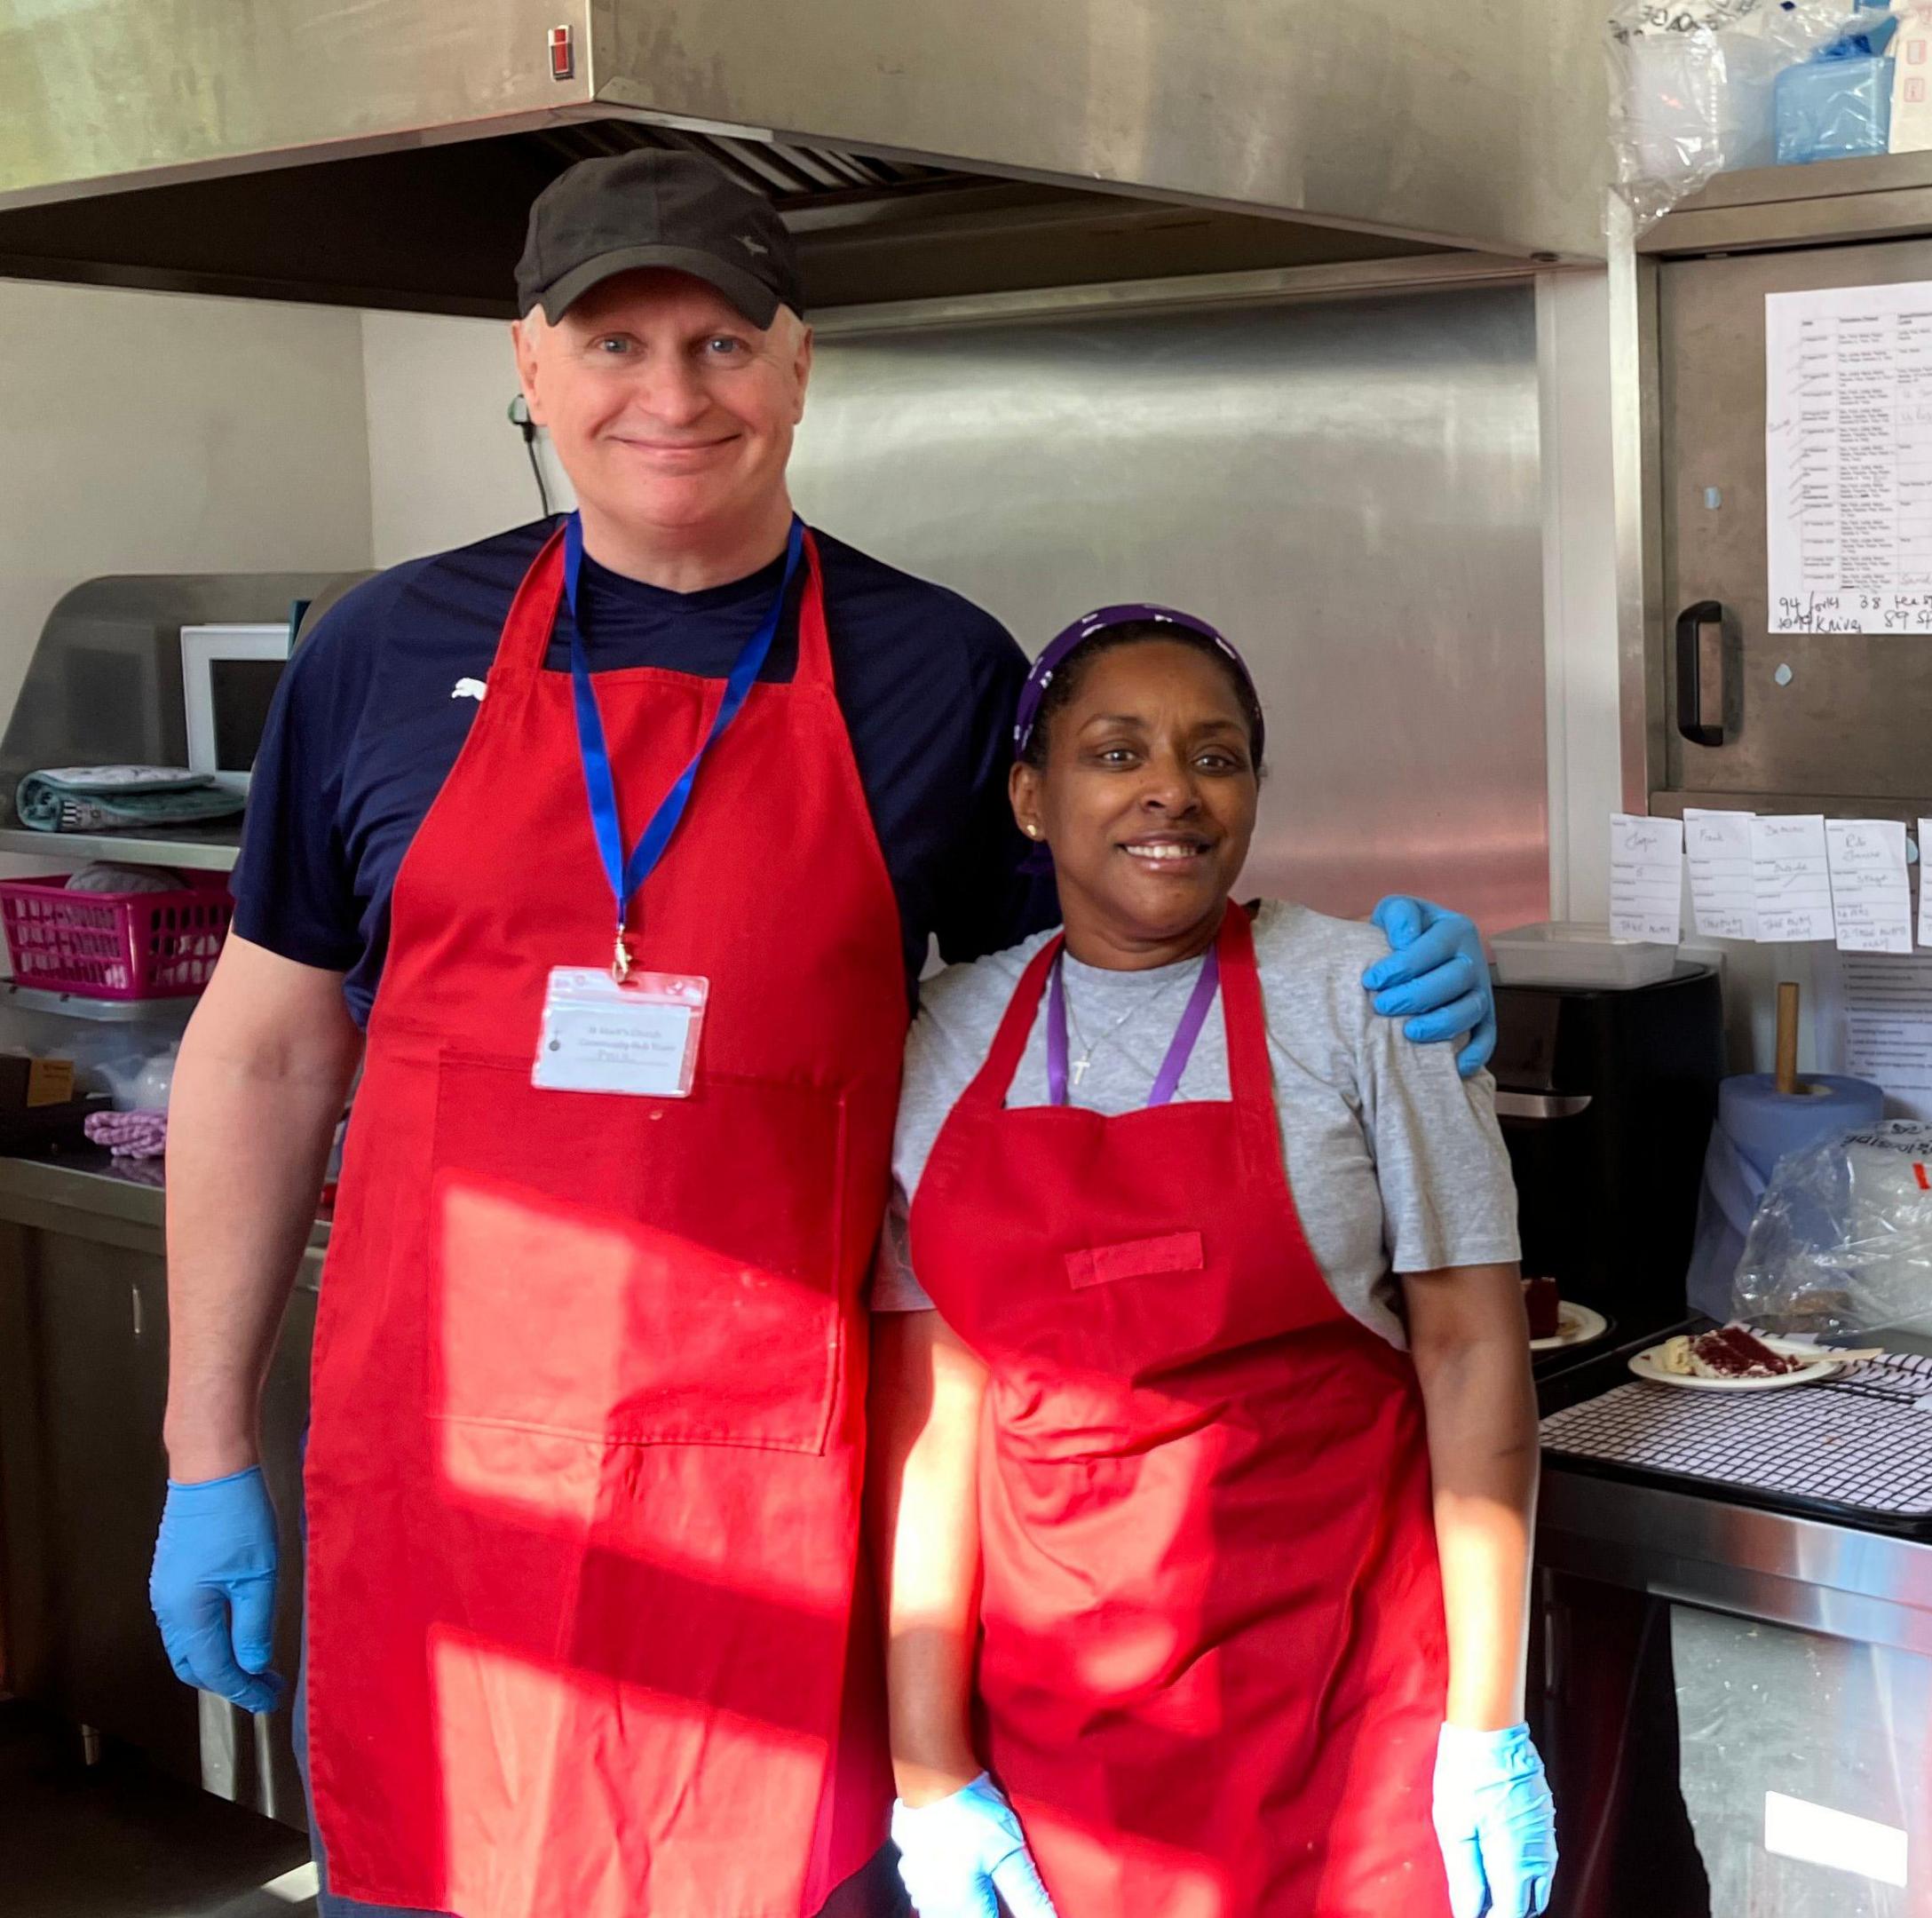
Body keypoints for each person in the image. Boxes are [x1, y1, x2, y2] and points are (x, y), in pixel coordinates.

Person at [143, 153, 1498, 1918]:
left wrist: (1366, 963)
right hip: (446, 1488)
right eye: (613, 343)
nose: (670, 394)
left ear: (799, 367)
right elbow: (261, 1054)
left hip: (783, 1490)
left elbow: (1099, 990)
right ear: (529, 370)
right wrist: (202, 1450)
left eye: (720, 344)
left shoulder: (934, 670)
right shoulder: (384, 651)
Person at [868, 607, 1557, 1918]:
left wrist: (1485, 1729)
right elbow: (935, 1422)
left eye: (1217, 756)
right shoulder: (945, 1038)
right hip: (1055, 1729)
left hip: (1346, 1710)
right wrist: (928, 1772)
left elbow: (1472, 1352)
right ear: (1032, 797)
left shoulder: (1370, 999)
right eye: (1116, 753)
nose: (1172, 790)